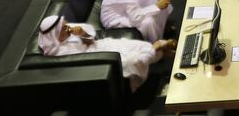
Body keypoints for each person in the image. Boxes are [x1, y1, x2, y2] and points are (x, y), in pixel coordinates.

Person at [38, 15, 176, 92]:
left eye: (66, 24)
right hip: (97, 61)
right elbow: (82, 62)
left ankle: (164, 51)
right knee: (132, 61)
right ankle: (158, 48)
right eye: (63, 28)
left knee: (135, 45)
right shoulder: (57, 53)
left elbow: (90, 42)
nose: (68, 28)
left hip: (99, 47)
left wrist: (82, 34)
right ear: (55, 34)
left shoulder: (69, 31)